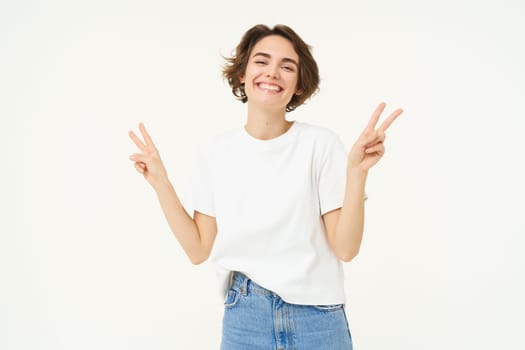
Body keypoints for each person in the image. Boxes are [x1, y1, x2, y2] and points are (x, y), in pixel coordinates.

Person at [129, 24, 402, 350]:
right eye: (262, 61)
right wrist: (161, 182)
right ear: (242, 73)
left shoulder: (320, 144)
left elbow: (346, 248)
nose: (273, 72)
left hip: (318, 318)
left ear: (299, 85)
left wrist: (357, 174)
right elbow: (198, 249)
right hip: (246, 318)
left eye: (287, 66)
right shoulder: (215, 153)